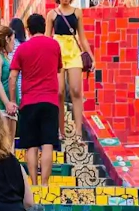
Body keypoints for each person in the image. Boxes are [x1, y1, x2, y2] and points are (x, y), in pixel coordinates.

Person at [8, 13, 62, 186]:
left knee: (31, 145)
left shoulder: (23, 48)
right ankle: (45, 184)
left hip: (29, 102)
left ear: (28, 30)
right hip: (50, 101)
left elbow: (12, 76)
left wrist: (11, 100)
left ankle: (34, 183)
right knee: (47, 143)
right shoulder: (55, 45)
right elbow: (59, 71)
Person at [47, 0, 94, 141]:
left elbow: (82, 37)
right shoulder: (52, 14)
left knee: (75, 90)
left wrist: (91, 56)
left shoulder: (77, 12)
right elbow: (47, 38)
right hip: (57, 52)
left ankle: (78, 131)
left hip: (73, 52)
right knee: (59, 91)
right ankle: (60, 130)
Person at [0, 26, 19, 139]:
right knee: (1, 143)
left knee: (10, 145)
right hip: (1, 106)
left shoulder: (7, 58)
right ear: (7, 39)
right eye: (13, 40)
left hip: (11, 106)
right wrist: (7, 103)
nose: (14, 45)